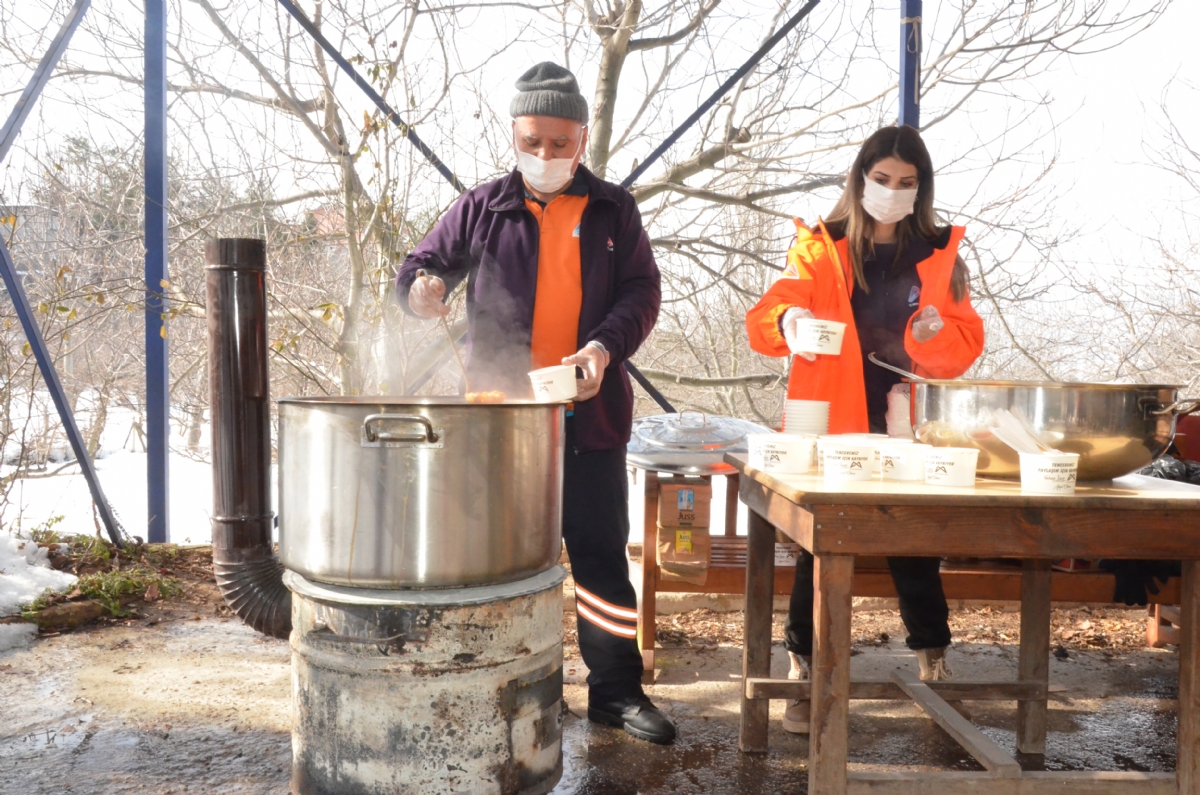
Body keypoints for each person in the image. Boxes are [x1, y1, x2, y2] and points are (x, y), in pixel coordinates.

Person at [396, 62, 675, 744]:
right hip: (500, 424)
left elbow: (642, 293)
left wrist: (603, 349)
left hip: (590, 419)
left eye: (559, 141)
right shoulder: (482, 208)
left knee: (601, 557)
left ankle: (614, 692)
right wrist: (421, 290)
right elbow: (416, 268)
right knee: (499, 563)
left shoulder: (613, 210)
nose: (545, 155)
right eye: (532, 141)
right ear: (514, 135)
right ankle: (498, 687)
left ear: (582, 137)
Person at [744, 125, 985, 734]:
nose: (892, 191)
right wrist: (791, 319)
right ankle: (805, 672)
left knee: (916, 547)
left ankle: (934, 661)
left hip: (906, 418)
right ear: (859, 178)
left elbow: (963, 346)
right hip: (829, 419)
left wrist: (932, 339)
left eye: (907, 183)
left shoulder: (939, 251)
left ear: (921, 188)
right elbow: (766, 317)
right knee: (814, 551)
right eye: (882, 179)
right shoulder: (820, 245)